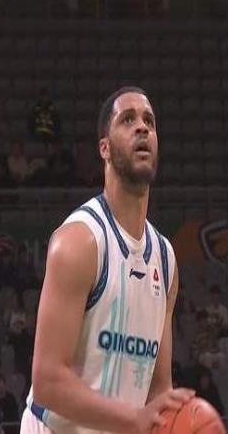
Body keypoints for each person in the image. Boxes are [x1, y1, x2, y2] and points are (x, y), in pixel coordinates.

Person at [20, 86, 194, 434]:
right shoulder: (79, 242)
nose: (142, 127)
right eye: (127, 120)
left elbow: (159, 389)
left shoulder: (165, 259)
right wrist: (133, 420)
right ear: (104, 148)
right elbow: (47, 381)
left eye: (149, 121)